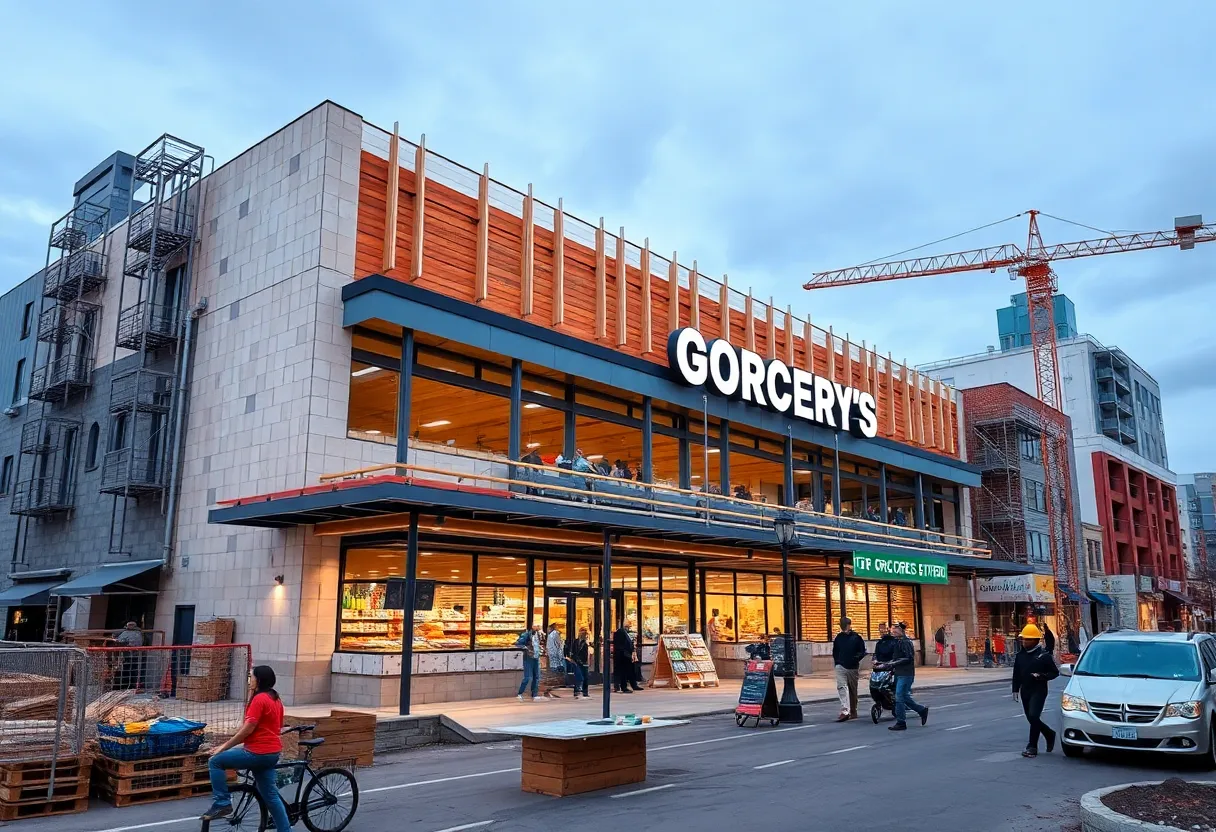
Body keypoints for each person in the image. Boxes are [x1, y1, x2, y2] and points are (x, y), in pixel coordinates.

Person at [202, 666, 293, 831]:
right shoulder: (275, 699)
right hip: (272, 753)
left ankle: (222, 802)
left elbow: (247, 730)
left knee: (215, 761)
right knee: (271, 797)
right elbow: (277, 727)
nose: (249, 679)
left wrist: (223, 747)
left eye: (251, 677)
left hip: (257, 753)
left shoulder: (259, 700)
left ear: (259, 680)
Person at [1011, 623, 1059, 758]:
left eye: (1028, 639)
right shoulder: (1020, 655)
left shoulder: (1043, 655)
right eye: (1023, 639)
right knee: (1031, 718)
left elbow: (1054, 673)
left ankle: (1032, 746)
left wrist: (1042, 676)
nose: (1025, 642)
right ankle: (1049, 733)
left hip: (1039, 690)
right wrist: (1015, 689)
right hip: (1025, 690)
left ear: (1035, 640)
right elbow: (1016, 673)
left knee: (1033, 716)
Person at [879, 621, 928, 731]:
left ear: (901, 630)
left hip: (906, 674)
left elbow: (908, 658)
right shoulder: (898, 642)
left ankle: (901, 722)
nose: (893, 632)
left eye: (895, 630)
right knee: (904, 697)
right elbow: (897, 658)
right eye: (893, 630)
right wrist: (887, 664)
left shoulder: (905, 642)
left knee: (899, 696)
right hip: (899, 673)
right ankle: (921, 710)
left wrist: (892, 664)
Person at [831, 617, 867, 721]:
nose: (843, 626)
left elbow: (862, 651)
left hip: (852, 667)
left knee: (852, 689)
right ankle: (845, 710)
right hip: (840, 666)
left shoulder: (856, 637)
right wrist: (837, 661)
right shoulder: (839, 637)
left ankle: (853, 710)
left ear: (849, 625)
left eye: (844, 624)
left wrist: (855, 659)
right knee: (841, 687)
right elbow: (835, 651)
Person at [516, 624, 543, 702]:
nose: (539, 627)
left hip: (536, 657)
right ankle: (520, 694)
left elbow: (538, 644)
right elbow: (518, 643)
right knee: (527, 677)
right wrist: (526, 648)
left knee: (536, 676)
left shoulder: (538, 634)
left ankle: (534, 694)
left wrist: (540, 648)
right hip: (528, 657)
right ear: (533, 627)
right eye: (537, 626)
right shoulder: (526, 634)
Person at [117, 621, 144, 689]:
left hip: (130, 655)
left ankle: (127, 686)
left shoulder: (131, 633)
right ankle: (131, 686)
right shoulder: (139, 633)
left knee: (128, 671)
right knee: (132, 670)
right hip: (133, 654)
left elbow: (120, 640)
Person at [565, 627, 590, 698]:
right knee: (579, 676)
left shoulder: (585, 643)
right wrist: (573, 659)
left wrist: (583, 661)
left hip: (583, 662)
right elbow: (572, 651)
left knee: (585, 677)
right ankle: (577, 691)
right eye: (582, 632)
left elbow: (585, 654)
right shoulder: (576, 642)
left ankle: (585, 692)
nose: (583, 634)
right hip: (576, 662)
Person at [542, 622, 565, 698]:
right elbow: (559, 646)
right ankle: (549, 690)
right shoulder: (555, 635)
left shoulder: (552, 635)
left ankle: (548, 690)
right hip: (555, 658)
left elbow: (554, 646)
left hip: (552, 657)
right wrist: (561, 657)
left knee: (553, 675)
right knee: (555, 675)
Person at [612, 623, 634, 694]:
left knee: (622, 672)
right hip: (623, 655)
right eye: (628, 627)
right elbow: (622, 645)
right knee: (622, 672)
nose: (629, 628)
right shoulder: (621, 632)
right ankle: (622, 687)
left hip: (623, 655)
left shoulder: (621, 632)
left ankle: (619, 686)